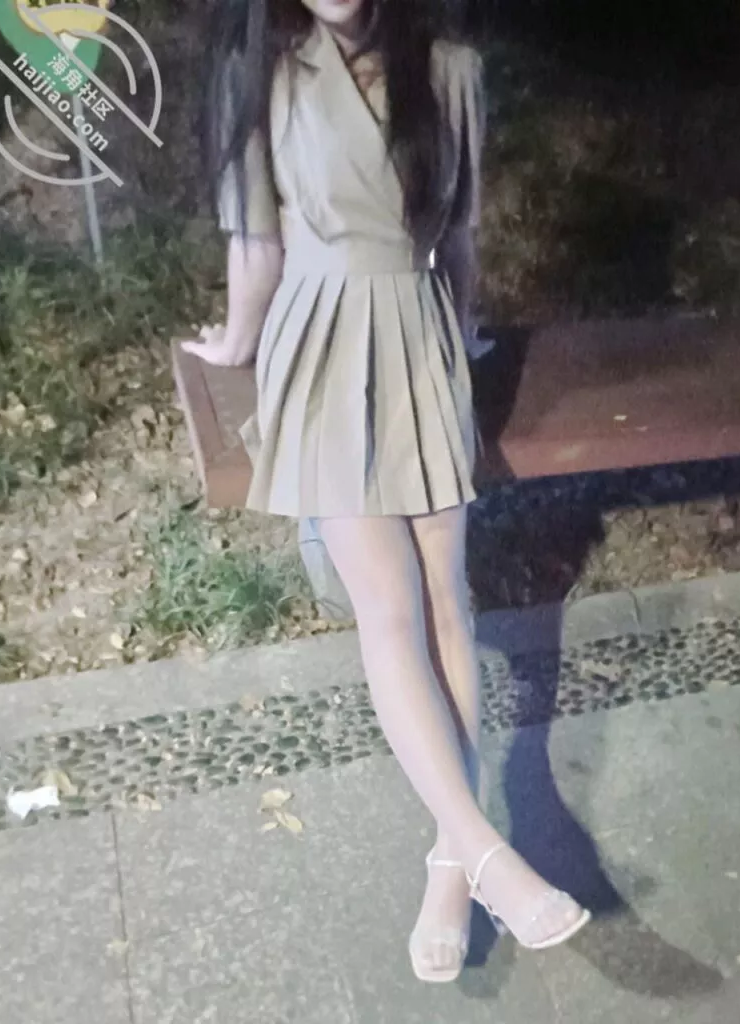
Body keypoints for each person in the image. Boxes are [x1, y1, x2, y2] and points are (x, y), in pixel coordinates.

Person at [182, 0, 590, 984]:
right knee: (390, 610)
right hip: (321, 343)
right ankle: (486, 852)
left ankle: (451, 864)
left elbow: (460, 237)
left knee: (448, 604)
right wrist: (232, 344)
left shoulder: (449, 70)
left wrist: (462, 334)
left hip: (418, 336)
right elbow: (258, 248)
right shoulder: (260, 72)